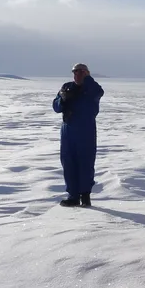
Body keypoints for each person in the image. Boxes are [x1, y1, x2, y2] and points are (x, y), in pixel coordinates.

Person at [52, 63, 104, 207]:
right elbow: (56, 107)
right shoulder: (67, 87)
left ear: (87, 73)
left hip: (85, 130)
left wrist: (87, 80)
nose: (77, 75)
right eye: (75, 72)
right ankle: (73, 196)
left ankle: (85, 195)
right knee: (68, 162)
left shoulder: (92, 88)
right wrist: (62, 100)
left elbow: (98, 93)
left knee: (85, 162)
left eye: (81, 72)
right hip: (68, 130)